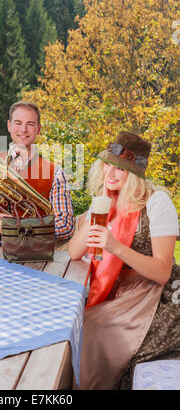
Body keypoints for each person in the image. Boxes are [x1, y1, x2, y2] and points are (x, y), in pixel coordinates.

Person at [68, 131, 179, 390]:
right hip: (123, 291)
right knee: (71, 322)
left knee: (93, 330)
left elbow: (163, 271)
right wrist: (98, 207)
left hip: (159, 294)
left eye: (121, 169)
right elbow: (74, 251)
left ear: (136, 174)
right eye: (108, 164)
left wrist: (115, 247)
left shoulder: (157, 202)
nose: (111, 173)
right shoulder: (108, 201)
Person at [0, 101, 75, 247]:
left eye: (30, 124)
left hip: (31, 258)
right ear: (9, 125)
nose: (23, 129)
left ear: (38, 129)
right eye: (18, 123)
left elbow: (66, 226)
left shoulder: (55, 172)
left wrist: (22, 228)